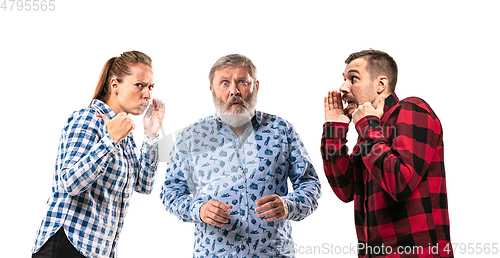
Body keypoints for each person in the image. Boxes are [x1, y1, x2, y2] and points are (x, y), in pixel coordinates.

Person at [160, 54, 321, 257]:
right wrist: (198, 209)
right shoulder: (191, 137)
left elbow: (310, 184)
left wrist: (288, 206)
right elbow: (170, 191)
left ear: (256, 86)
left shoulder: (282, 130)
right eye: (225, 83)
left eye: (242, 82)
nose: (234, 91)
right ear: (212, 90)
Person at [31, 50, 165, 258]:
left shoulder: (125, 134)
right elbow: (70, 183)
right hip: (67, 246)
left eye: (150, 87)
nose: (147, 94)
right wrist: (110, 140)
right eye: (139, 85)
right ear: (115, 85)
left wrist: (151, 134)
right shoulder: (88, 119)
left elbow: (144, 185)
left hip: (98, 252)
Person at [321, 49, 453, 257]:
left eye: (353, 78)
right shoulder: (370, 132)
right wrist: (333, 130)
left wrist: (366, 126)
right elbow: (344, 190)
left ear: (381, 84)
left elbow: (400, 183)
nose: (343, 88)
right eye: (344, 79)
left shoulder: (411, 109)